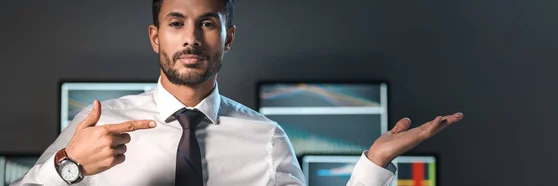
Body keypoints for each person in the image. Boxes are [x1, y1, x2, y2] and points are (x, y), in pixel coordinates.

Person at [12, 0, 464, 185]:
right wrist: (68, 166)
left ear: (227, 38)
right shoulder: (98, 123)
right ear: (155, 37)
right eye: (176, 23)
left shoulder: (266, 138)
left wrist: (373, 165)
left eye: (207, 23)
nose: (191, 38)